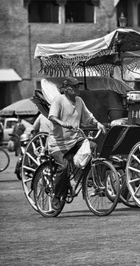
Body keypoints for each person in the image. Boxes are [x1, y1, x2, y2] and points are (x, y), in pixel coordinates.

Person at [47, 77, 106, 210]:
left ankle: (87, 181)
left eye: (78, 87)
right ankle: (57, 196)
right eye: (74, 87)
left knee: (92, 147)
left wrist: (98, 123)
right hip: (58, 143)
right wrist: (62, 123)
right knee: (63, 167)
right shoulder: (59, 100)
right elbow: (52, 116)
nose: (77, 89)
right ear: (67, 89)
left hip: (75, 139)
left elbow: (88, 116)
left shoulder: (79, 101)